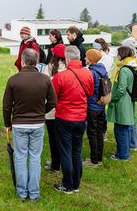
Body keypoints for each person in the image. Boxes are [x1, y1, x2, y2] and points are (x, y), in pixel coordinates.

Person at [2, 48, 57, 202]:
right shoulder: (45, 79)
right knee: (34, 158)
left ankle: (22, 193)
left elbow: (6, 105)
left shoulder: (13, 79)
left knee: (20, 157)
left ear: (23, 61)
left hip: (19, 124)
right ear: (37, 62)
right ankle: (33, 193)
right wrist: (42, 112)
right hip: (38, 123)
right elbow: (53, 101)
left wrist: (8, 123)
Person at [52, 45, 94, 194]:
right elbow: (90, 93)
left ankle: (67, 184)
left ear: (67, 58)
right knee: (77, 152)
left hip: (64, 117)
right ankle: (76, 184)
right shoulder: (88, 74)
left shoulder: (61, 76)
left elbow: (53, 97)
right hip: (81, 118)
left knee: (65, 152)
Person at [107, 46, 136, 161]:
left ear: (122, 54)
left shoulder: (124, 70)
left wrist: (111, 98)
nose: (117, 55)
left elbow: (121, 89)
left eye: (118, 53)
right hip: (127, 102)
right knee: (125, 129)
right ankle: (125, 152)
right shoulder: (131, 67)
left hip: (122, 104)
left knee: (120, 130)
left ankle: (122, 155)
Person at [84, 49, 108, 167]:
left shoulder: (91, 73)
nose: (84, 58)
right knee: (99, 132)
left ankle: (93, 160)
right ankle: (99, 158)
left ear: (91, 59)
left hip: (92, 106)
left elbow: (88, 90)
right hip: (101, 105)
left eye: (86, 57)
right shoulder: (103, 70)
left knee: (92, 133)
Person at [44, 43, 66, 174]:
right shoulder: (69, 68)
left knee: (53, 138)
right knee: (63, 138)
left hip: (51, 109)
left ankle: (55, 164)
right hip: (64, 109)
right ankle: (62, 162)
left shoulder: (50, 68)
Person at [120, 36, 137, 151]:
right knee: (132, 118)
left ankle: (132, 143)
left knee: (131, 119)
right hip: (132, 92)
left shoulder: (132, 61)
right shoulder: (134, 59)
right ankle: (132, 143)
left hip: (130, 93)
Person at [94, 37, 114, 141]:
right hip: (106, 85)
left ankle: (102, 132)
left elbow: (102, 73)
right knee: (101, 110)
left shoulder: (104, 58)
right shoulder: (109, 57)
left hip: (102, 85)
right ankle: (101, 132)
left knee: (100, 109)